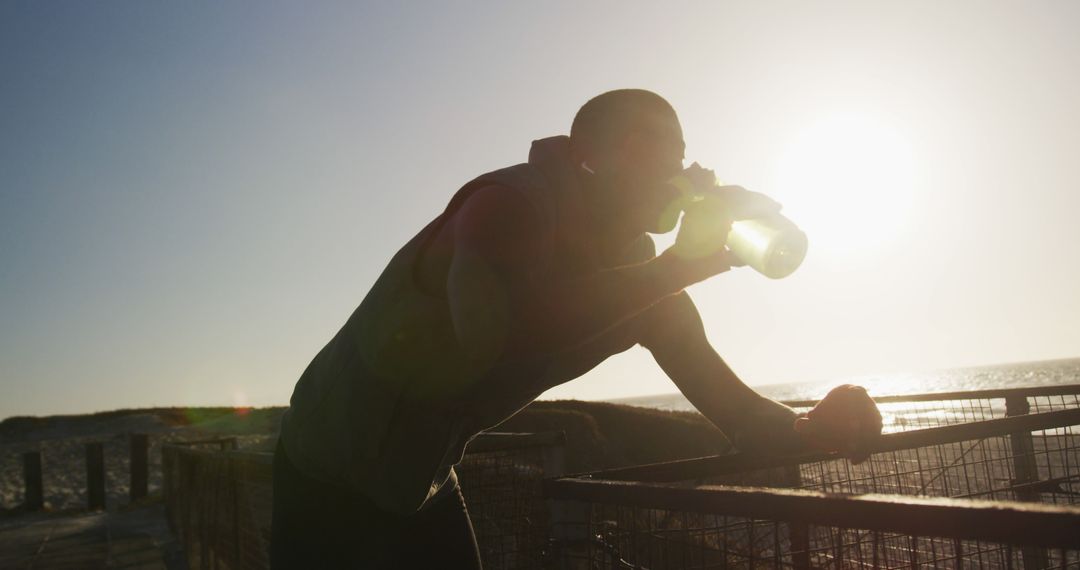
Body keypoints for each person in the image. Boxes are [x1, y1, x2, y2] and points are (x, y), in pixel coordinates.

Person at [269, 89, 882, 569]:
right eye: (652, 148)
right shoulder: (507, 204)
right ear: (589, 155)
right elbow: (496, 333)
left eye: (679, 153)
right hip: (327, 473)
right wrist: (675, 267)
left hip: (416, 477)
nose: (675, 167)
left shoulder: (641, 269)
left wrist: (809, 428)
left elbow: (732, 408)